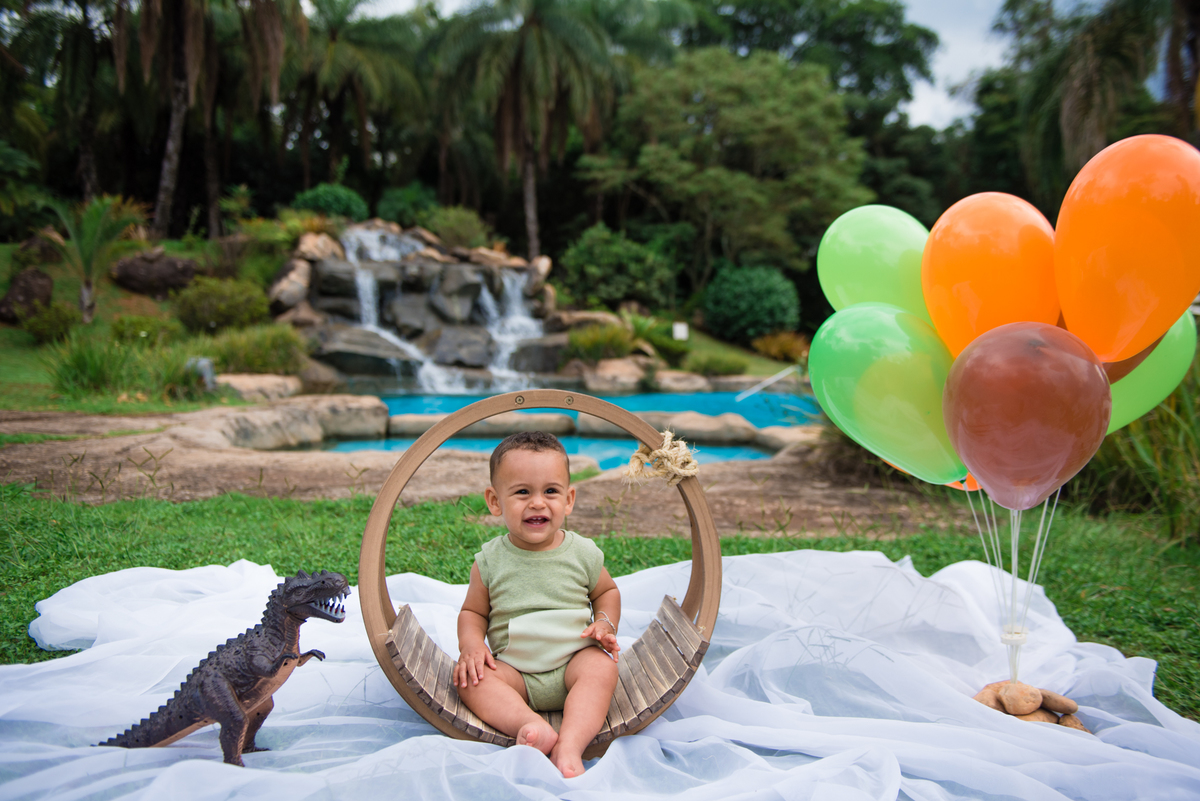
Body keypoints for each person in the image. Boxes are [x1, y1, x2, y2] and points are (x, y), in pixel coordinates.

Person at [453, 431, 621, 778]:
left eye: (551, 491)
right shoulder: (490, 560)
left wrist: (604, 622)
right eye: (522, 492)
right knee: (471, 681)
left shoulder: (582, 553)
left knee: (602, 668)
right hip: (516, 671)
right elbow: (472, 612)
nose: (538, 503)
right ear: (495, 501)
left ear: (569, 499)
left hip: (574, 660)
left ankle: (570, 745)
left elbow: (607, 592)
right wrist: (471, 645)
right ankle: (531, 724)